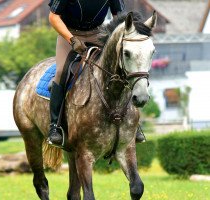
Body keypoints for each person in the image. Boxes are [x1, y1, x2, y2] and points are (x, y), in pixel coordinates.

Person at [48, 0, 145, 147]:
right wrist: (72, 40)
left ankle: (134, 124)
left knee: (121, 69)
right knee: (61, 71)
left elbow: (119, 17)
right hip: (69, 34)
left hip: (98, 33)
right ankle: (55, 127)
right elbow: (53, 17)